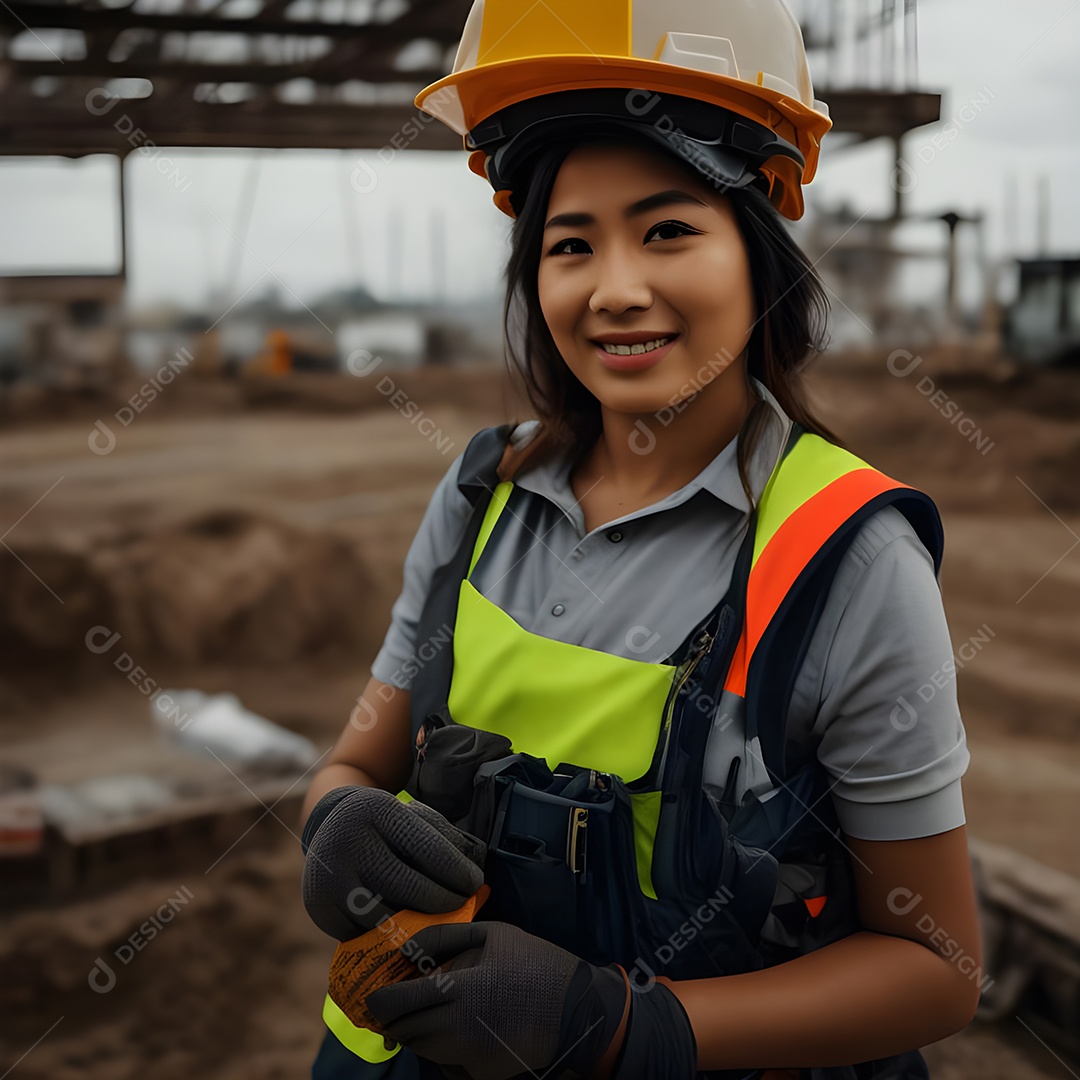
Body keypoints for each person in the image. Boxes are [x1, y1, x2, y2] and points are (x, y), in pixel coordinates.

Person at [298, 2, 984, 1078]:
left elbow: (935, 968)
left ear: (759, 258)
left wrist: (626, 1027)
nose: (616, 291)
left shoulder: (847, 558)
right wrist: (335, 820)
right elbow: (357, 757)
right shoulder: (485, 490)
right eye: (571, 245)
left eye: (668, 230)